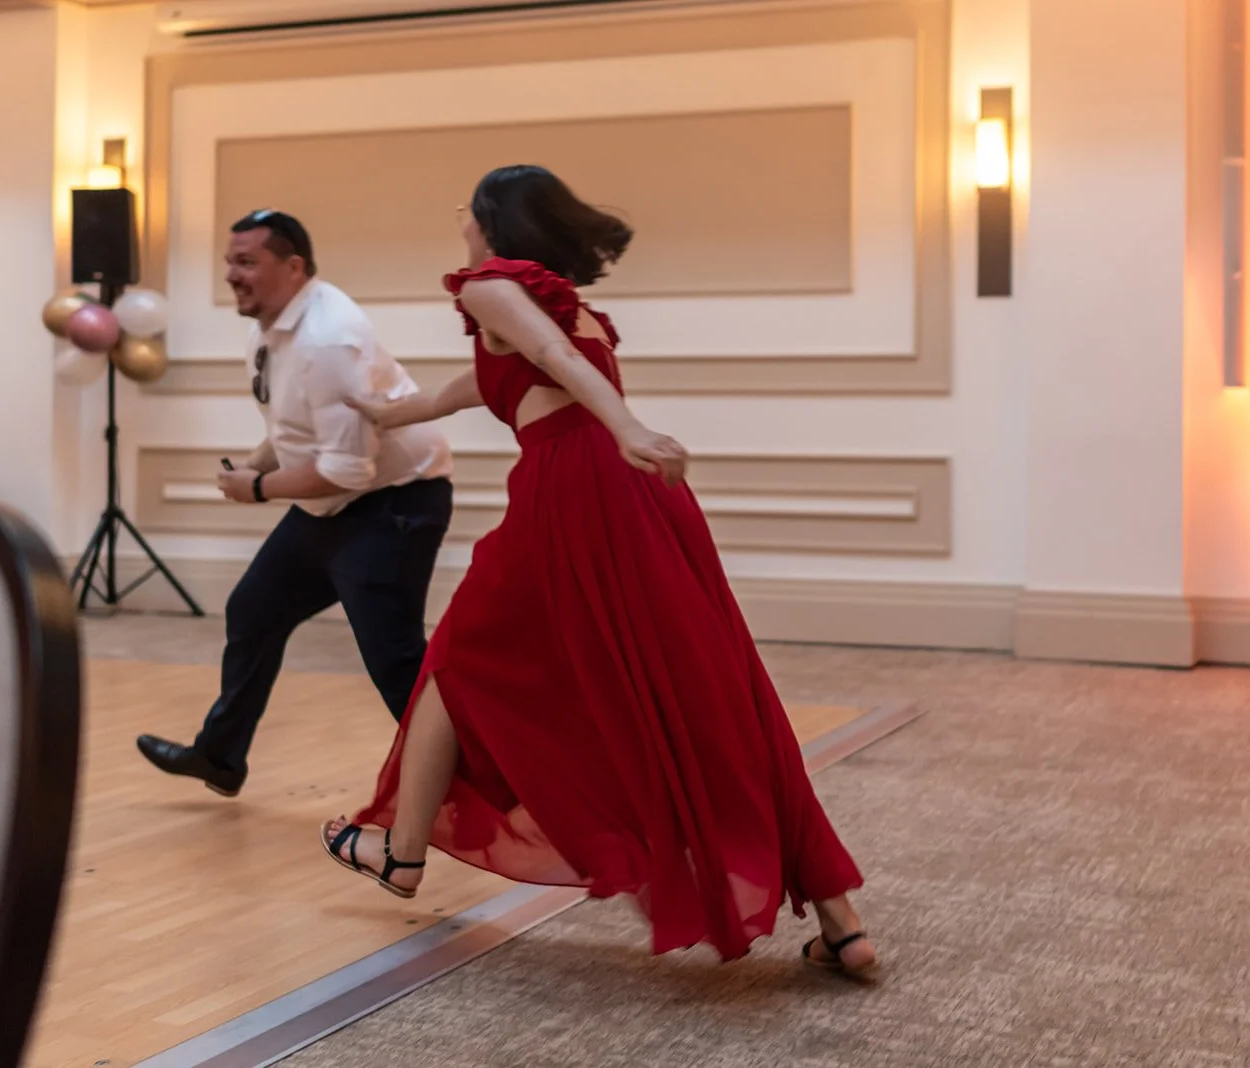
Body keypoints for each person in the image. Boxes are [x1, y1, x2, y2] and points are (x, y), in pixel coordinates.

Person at [318, 167, 878, 979]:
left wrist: (625, 426)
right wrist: (379, 412)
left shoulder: (494, 287)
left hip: (572, 495)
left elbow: (543, 358)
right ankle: (842, 920)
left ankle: (401, 854)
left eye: (468, 215)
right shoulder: (560, 305)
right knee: (710, 694)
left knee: (457, 662)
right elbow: (477, 385)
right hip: (634, 502)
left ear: (494, 224)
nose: (461, 227)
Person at [136, 209, 454, 798]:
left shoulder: (327, 340)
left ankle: (484, 787)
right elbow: (295, 428)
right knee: (254, 611)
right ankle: (221, 758)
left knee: (395, 660)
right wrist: (260, 462)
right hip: (336, 504)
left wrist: (256, 489)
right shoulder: (275, 323)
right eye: (230, 261)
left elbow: (344, 469)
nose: (232, 274)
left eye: (247, 261)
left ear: (293, 265)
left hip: (392, 506)